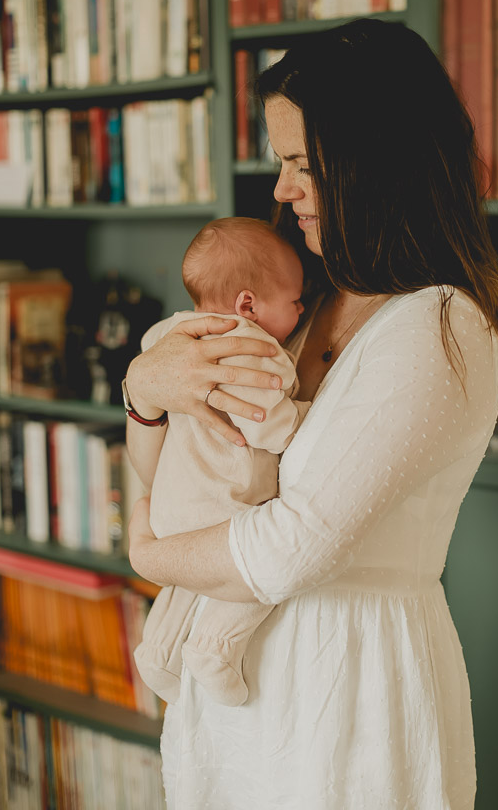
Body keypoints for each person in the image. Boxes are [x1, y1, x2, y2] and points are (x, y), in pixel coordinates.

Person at [125, 18, 498, 810]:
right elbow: (186, 430)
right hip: (238, 685)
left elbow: (293, 547)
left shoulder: (442, 327)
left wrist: (144, 548)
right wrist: (141, 389)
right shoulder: (298, 298)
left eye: (302, 164)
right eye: (280, 162)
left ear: (377, 162)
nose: (280, 189)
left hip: (346, 684)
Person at [132, 216, 308, 707]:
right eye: (296, 300)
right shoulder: (251, 349)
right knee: (254, 576)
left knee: (187, 588)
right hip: (222, 507)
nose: (301, 307)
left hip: (173, 506)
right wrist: (314, 412)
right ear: (247, 304)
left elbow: (147, 357)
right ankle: (215, 648)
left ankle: (159, 650)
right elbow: (270, 424)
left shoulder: (175, 332)